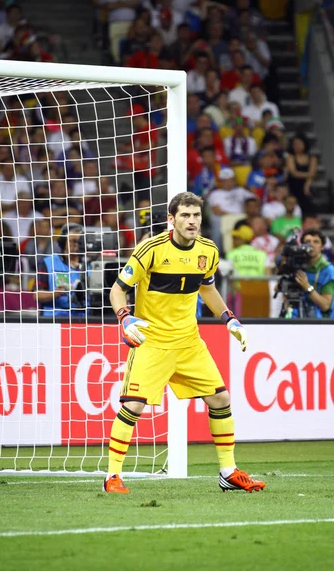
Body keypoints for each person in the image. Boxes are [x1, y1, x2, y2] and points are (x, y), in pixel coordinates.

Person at [104, 191, 266, 494]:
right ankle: (112, 476)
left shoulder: (208, 250)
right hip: (152, 342)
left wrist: (229, 318)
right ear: (171, 219)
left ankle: (228, 472)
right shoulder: (149, 250)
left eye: (196, 216)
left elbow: (207, 289)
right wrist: (125, 317)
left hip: (189, 341)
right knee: (134, 405)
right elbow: (116, 290)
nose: (192, 221)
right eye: (185, 216)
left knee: (221, 399)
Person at [34, 223, 90, 317]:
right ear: (63, 242)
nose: (76, 244)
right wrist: (55, 294)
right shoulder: (48, 263)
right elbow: (37, 295)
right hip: (55, 317)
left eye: (79, 241)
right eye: (72, 241)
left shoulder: (91, 265)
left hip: (84, 317)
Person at [288, 229, 334, 319]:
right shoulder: (298, 267)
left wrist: (307, 286)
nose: (311, 245)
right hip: (301, 319)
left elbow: (325, 305)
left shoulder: (328, 270)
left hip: (326, 324)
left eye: (316, 242)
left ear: (322, 247)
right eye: (307, 242)